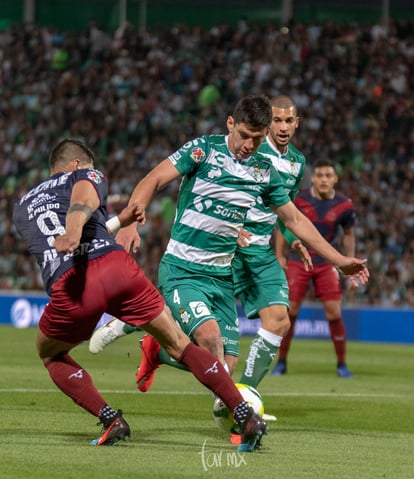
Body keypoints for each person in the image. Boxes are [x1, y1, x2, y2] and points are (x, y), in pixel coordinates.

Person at [89, 96, 368, 396]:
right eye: (244, 136)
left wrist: (338, 259)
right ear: (230, 124)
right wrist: (130, 220)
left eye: (257, 139)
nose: (249, 145)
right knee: (210, 339)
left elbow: (294, 219)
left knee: (224, 366)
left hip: (222, 275)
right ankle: (241, 414)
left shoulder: (265, 171)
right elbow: (154, 179)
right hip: (184, 267)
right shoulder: (203, 150)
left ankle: (160, 354)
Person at [12, 138, 269, 452]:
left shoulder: (22, 206)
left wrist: (117, 221)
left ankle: (110, 419)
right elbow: (83, 198)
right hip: (115, 268)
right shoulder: (84, 176)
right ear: (77, 165)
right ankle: (244, 414)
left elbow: (73, 230)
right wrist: (76, 227)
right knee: (179, 343)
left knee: (50, 354)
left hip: (74, 286)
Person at [233, 95, 309, 404]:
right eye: (276, 120)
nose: (282, 127)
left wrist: (294, 238)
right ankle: (134, 327)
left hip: (259, 250)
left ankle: (246, 394)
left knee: (279, 318)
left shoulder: (297, 162)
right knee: (194, 328)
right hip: (227, 242)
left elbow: (285, 211)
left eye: (288, 120)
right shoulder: (250, 146)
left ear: (296, 123)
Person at [271, 159, 357, 378]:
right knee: (290, 311)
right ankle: (281, 362)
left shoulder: (344, 205)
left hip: (326, 263)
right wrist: (280, 254)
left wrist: (348, 261)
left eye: (328, 175)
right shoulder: (299, 200)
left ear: (335, 178)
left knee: (334, 312)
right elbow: (283, 226)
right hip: (298, 260)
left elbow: (348, 235)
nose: (324, 179)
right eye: (320, 175)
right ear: (313, 178)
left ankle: (341, 364)